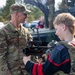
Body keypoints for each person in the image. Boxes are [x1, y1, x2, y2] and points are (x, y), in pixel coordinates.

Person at [0, 3, 33, 75]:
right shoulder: (3, 32)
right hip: (12, 72)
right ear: (17, 14)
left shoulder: (25, 31)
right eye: (25, 14)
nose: (27, 16)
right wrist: (6, 73)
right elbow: (1, 55)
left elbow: (31, 50)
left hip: (26, 71)